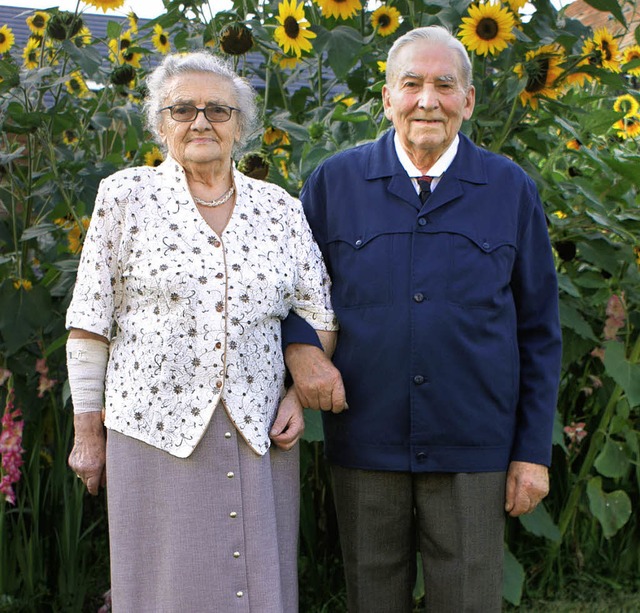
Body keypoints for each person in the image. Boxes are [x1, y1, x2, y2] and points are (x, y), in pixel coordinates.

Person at [284, 25, 562, 612]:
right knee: (372, 598)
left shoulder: (509, 189)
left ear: (468, 99)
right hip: (365, 436)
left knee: (468, 601)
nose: (427, 100)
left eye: (444, 84)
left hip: (475, 444)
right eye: (411, 84)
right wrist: (303, 352)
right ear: (388, 98)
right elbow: (289, 295)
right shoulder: (335, 183)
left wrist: (532, 452)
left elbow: (539, 332)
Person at [65, 50, 339, 612]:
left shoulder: (279, 210)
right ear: (159, 122)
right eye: (182, 109)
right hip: (151, 431)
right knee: (164, 585)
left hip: (260, 427)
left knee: (258, 582)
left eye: (218, 109)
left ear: (241, 125)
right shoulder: (126, 197)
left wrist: (297, 395)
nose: (200, 122)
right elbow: (90, 325)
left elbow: (320, 315)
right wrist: (87, 434)